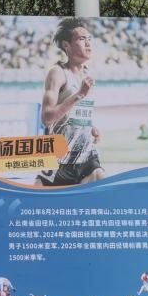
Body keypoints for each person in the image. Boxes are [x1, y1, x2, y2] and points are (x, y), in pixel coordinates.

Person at [36, 17, 104, 186]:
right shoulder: (57, 73)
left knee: (102, 183)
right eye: (82, 39)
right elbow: (47, 118)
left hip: (86, 155)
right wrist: (79, 94)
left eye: (89, 39)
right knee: (40, 200)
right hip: (60, 158)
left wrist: (90, 127)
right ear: (66, 45)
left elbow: (75, 113)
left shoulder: (88, 74)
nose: (88, 44)